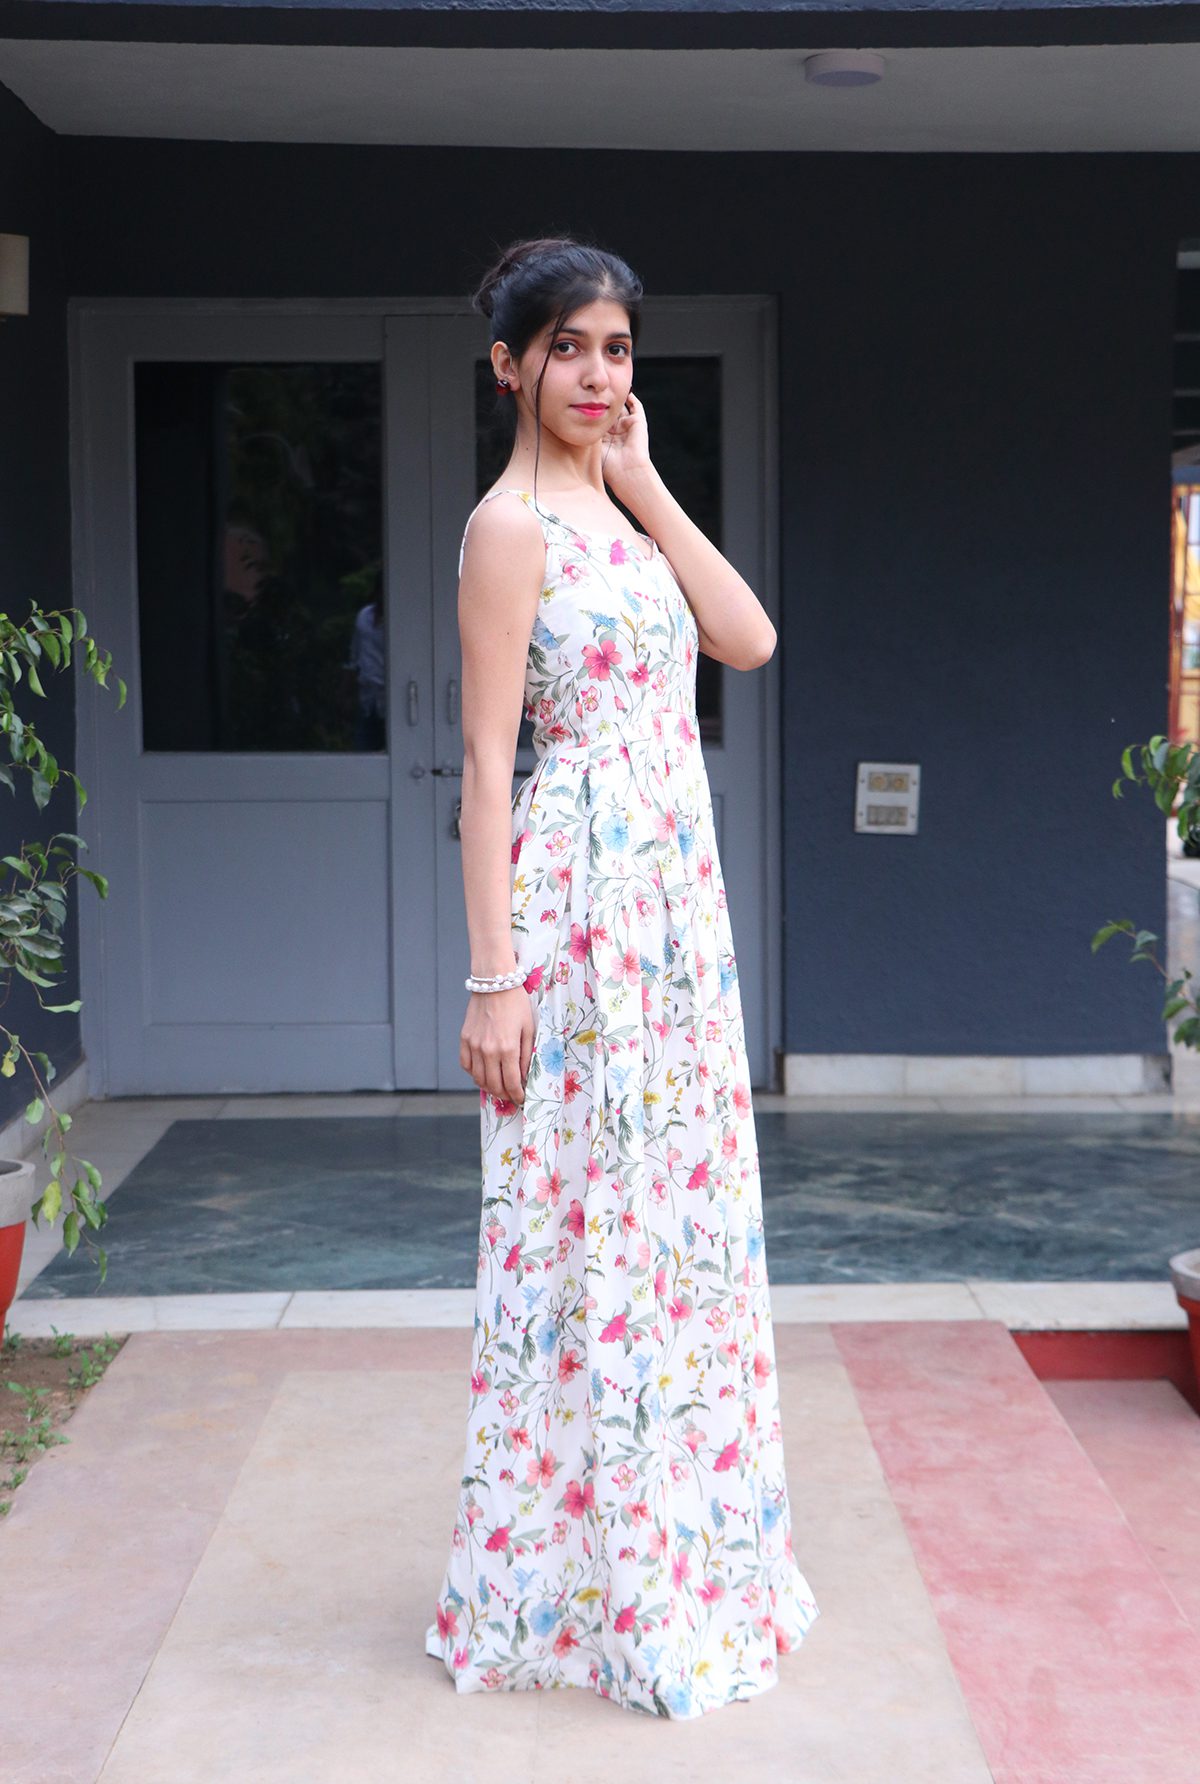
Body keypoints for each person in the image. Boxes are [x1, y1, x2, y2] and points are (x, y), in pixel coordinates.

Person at [424, 235, 820, 1718]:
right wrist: (494, 977)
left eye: (618, 349)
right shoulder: (508, 529)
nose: (598, 373)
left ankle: (684, 1556)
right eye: (570, 348)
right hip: (578, 916)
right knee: (585, 1233)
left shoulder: (620, 507)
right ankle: (573, 1585)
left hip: (673, 921)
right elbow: (485, 761)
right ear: (509, 365)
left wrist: (648, 482)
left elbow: (750, 640)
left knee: (677, 1233)